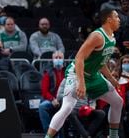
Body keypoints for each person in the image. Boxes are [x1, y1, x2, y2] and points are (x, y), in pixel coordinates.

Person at [45, 9, 124, 138]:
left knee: (117, 102)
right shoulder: (97, 36)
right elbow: (79, 58)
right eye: (116, 17)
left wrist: (111, 78)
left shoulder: (112, 38)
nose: (119, 19)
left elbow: (101, 62)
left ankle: (114, 136)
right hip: (77, 73)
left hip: (93, 75)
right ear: (109, 19)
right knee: (67, 108)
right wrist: (81, 83)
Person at [39, 51, 65, 135]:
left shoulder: (67, 72)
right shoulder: (48, 72)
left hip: (65, 99)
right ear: (52, 59)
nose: (58, 59)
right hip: (51, 99)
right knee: (42, 107)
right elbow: (44, 91)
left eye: (60, 58)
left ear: (63, 59)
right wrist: (52, 99)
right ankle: (49, 133)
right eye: (56, 58)